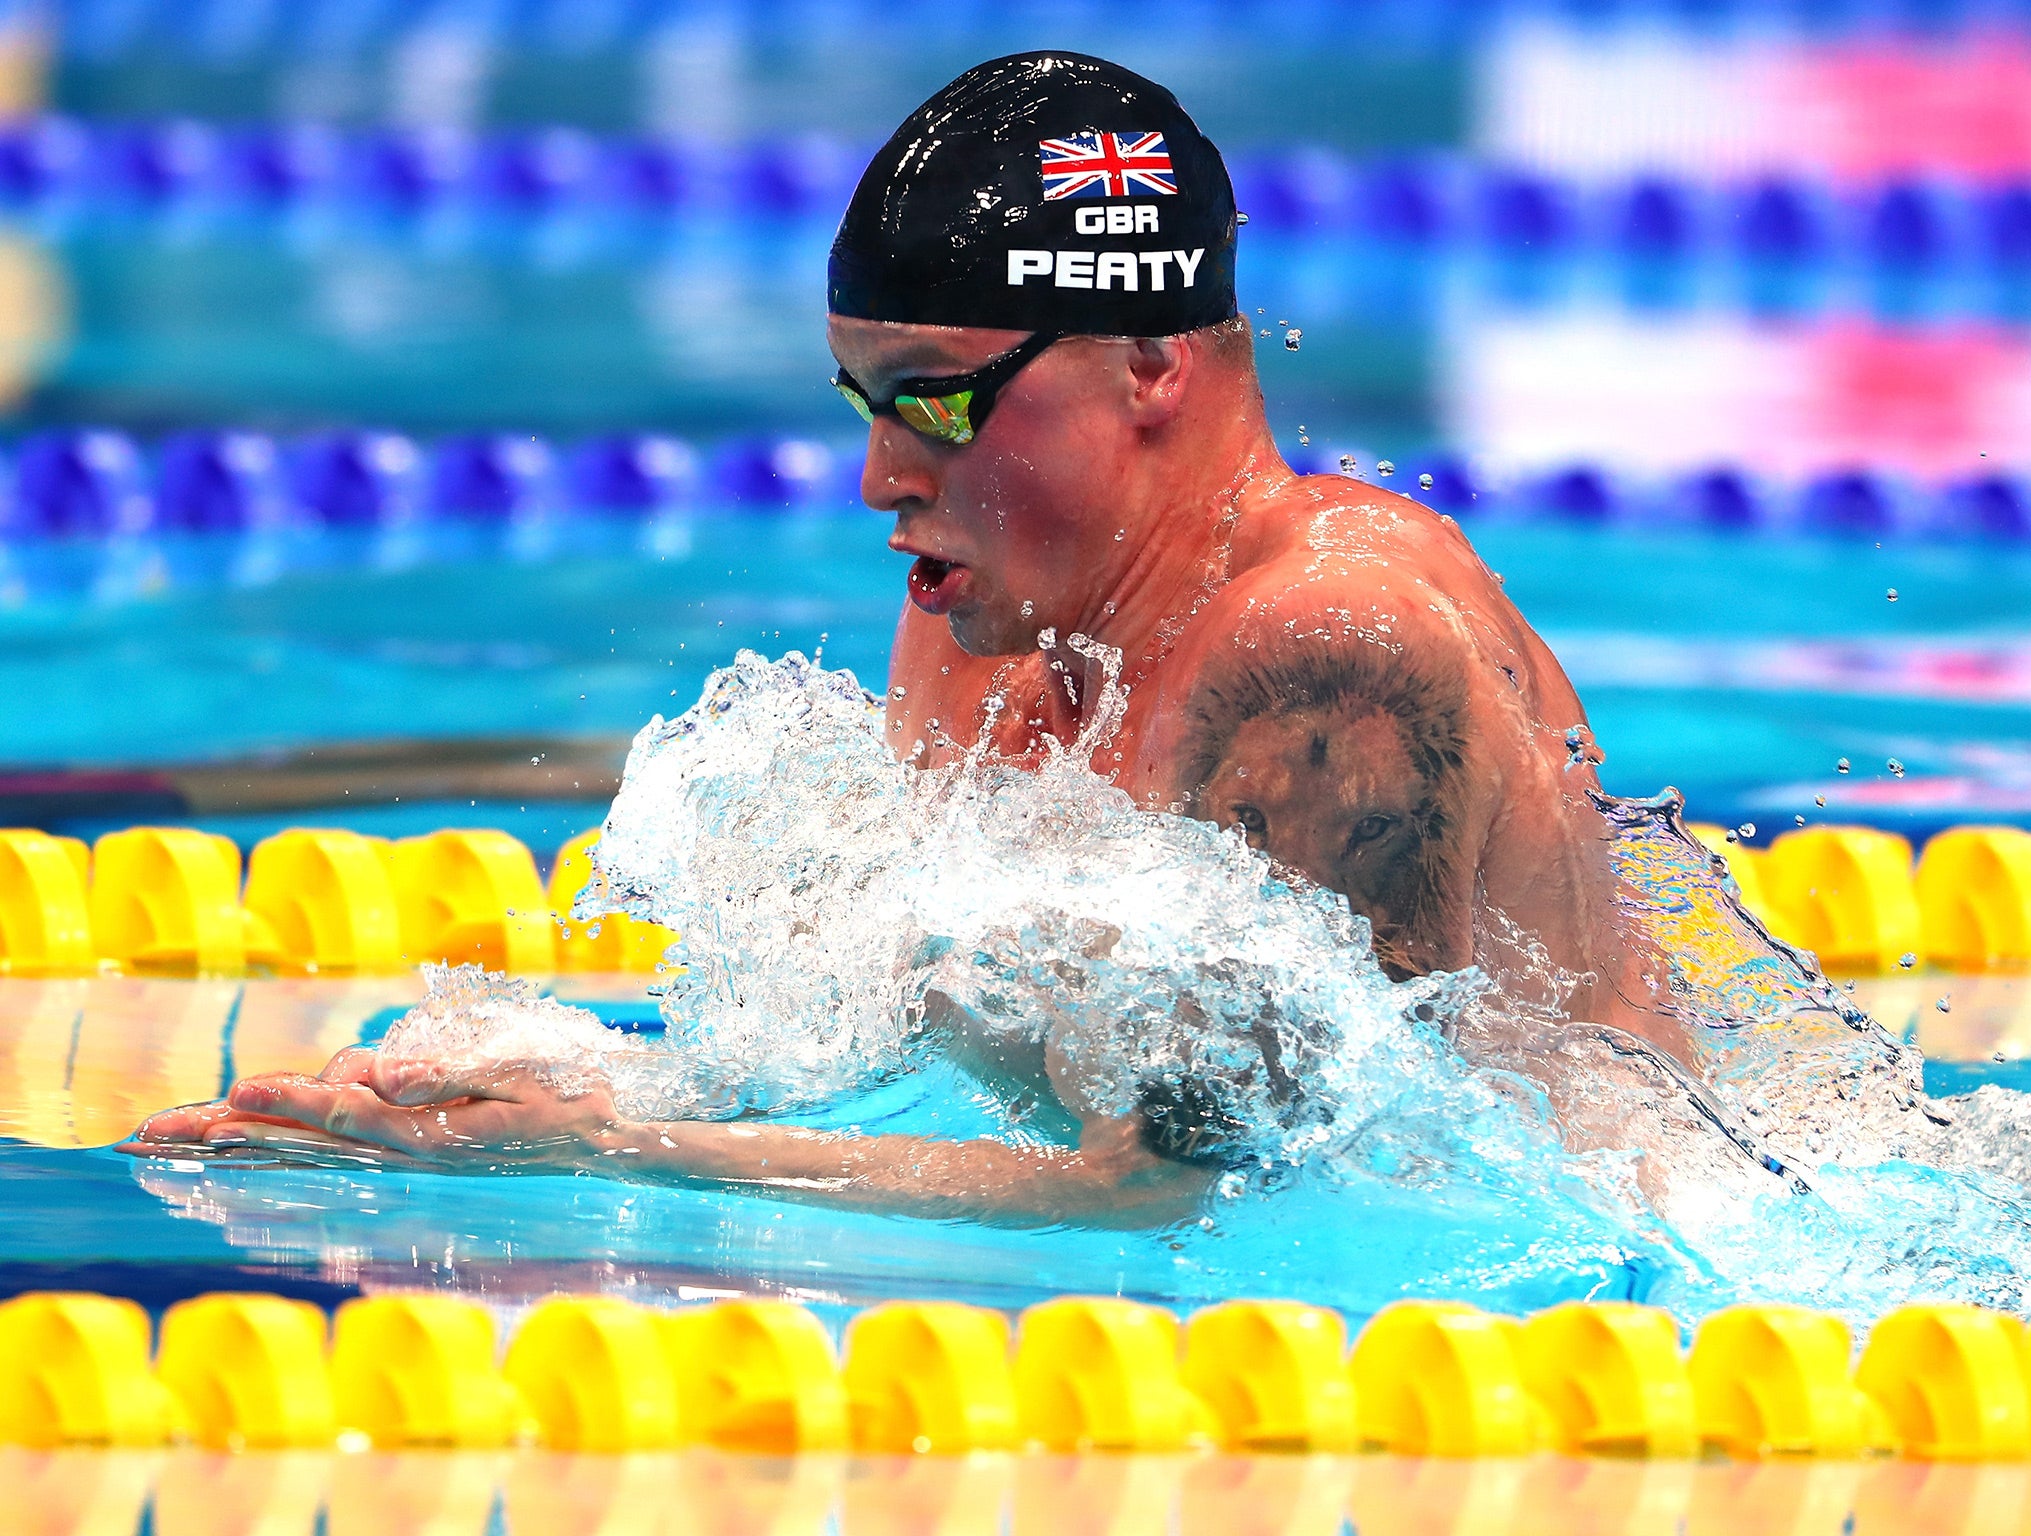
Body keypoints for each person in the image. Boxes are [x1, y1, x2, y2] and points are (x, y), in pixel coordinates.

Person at [123, 53, 1690, 1219]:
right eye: (866, 406)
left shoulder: (1327, 659)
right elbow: (897, 1067)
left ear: (1146, 362)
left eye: (937, 401)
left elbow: (1210, 1196)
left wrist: (608, 1154)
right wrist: (566, 1084)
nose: (885, 478)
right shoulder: (990, 608)